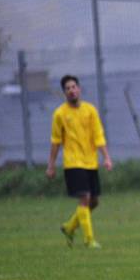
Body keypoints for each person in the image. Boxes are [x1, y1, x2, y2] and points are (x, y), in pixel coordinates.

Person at [47, 75, 113, 249]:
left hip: (90, 162)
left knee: (94, 202)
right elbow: (55, 141)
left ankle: (69, 227)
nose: (71, 90)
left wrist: (106, 157)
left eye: (74, 87)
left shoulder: (90, 110)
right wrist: (51, 165)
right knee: (84, 198)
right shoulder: (60, 114)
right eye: (67, 88)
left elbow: (98, 135)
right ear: (64, 93)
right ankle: (89, 239)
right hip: (73, 163)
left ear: (79, 89)